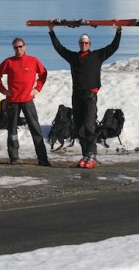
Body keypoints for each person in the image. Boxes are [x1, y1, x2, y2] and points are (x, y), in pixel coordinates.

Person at [48, 22, 122, 169]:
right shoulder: (74, 57)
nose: (84, 45)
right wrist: (51, 31)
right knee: (79, 126)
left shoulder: (97, 56)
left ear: (90, 44)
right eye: (82, 43)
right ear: (79, 44)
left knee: (88, 125)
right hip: (77, 96)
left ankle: (92, 154)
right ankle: (85, 155)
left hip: (90, 96)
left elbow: (113, 47)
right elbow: (59, 48)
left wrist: (118, 31)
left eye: (86, 43)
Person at [0, 38, 51, 166]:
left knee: (35, 129)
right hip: (13, 101)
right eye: (16, 47)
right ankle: (14, 157)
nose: (18, 49)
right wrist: (3, 90)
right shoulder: (9, 62)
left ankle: (42, 158)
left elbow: (43, 74)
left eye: (20, 46)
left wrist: (37, 88)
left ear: (24, 47)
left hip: (27, 100)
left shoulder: (33, 60)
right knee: (12, 130)